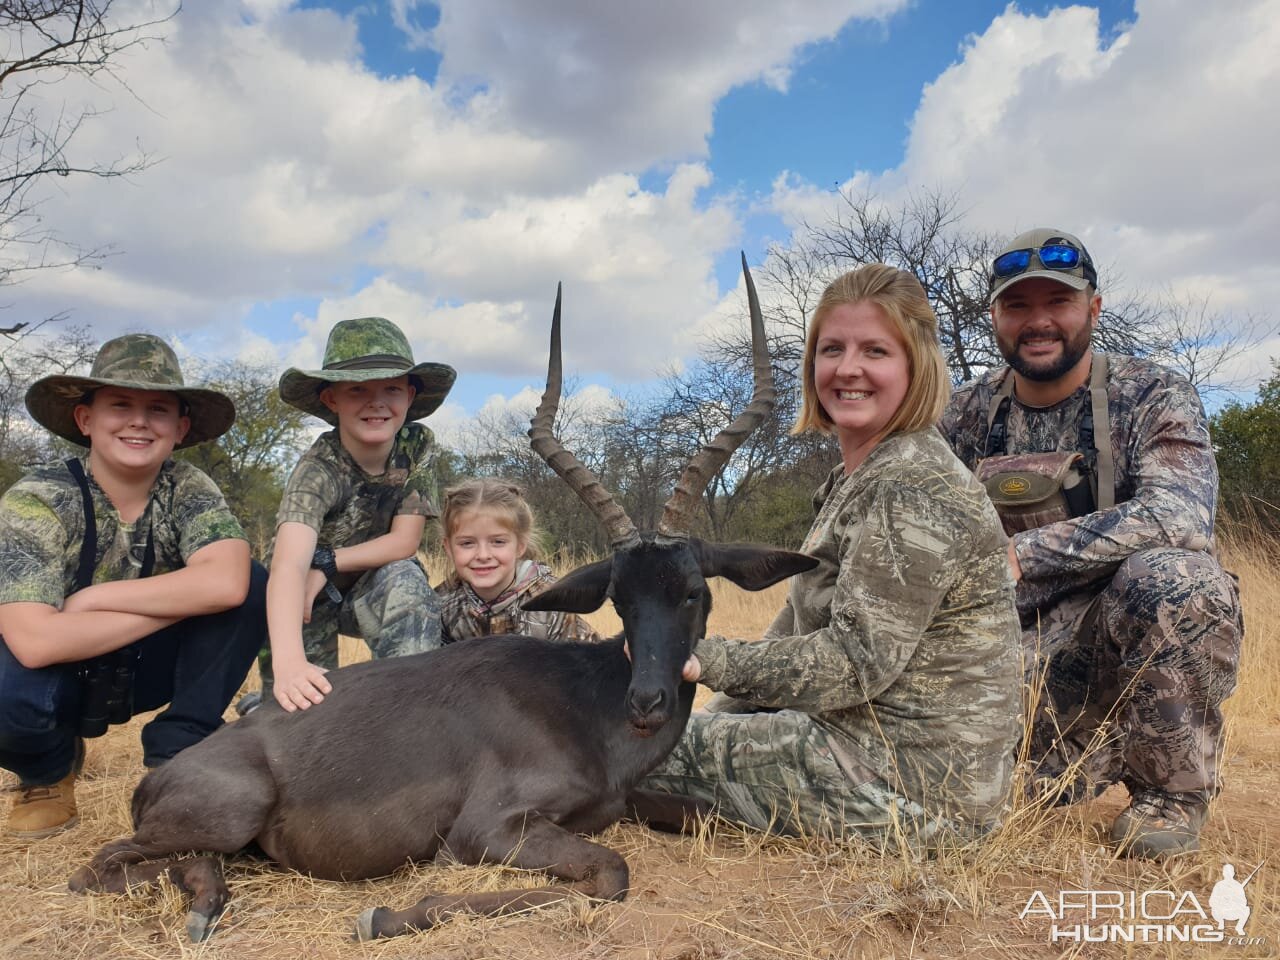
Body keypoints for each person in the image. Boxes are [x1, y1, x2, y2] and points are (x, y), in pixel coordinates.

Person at [640, 264, 1022, 844]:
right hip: (872, 749)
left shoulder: (909, 485)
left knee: (608, 743)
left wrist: (694, 656)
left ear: (916, 364)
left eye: (876, 350)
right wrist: (710, 720)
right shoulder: (863, 476)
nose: (848, 369)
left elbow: (853, 663)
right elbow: (791, 631)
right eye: (831, 349)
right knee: (658, 738)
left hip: (911, 792)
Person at [940, 227, 1243, 858]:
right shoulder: (960, 413)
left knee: (1178, 579)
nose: (1039, 321)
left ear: (1093, 309)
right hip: (1000, 648)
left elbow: (1181, 515)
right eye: (1018, 306)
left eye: (1059, 302)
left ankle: (1169, 795)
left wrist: (1024, 554)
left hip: (1115, 638)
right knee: (954, 790)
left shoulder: (1152, 393)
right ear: (995, 316)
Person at [0, 334, 267, 839]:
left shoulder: (188, 487)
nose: (139, 421)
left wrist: (94, 598)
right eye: (120, 404)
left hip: (142, 663)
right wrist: (184, 601)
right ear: (86, 420)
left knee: (254, 581)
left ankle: (180, 746)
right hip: (56, 669)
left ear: (180, 427)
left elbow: (231, 581)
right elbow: (35, 643)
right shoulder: (35, 498)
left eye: (158, 408)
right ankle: (46, 771)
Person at [256, 316, 456, 713]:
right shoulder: (317, 469)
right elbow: (287, 567)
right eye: (358, 389)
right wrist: (290, 663)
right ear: (331, 398)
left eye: (392, 388)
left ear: (410, 395)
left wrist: (328, 564)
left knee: (406, 578)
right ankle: (273, 709)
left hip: (369, 584)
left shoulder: (417, 444)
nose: (376, 402)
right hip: (308, 598)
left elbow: (404, 542)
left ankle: (406, 714)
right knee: (300, 708)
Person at [435, 478, 600, 644]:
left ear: (520, 545)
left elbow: (591, 660)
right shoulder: (439, 605)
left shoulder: (552, 603)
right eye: (467, 543)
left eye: (498, 542)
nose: (483, 555)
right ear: (448, 548)